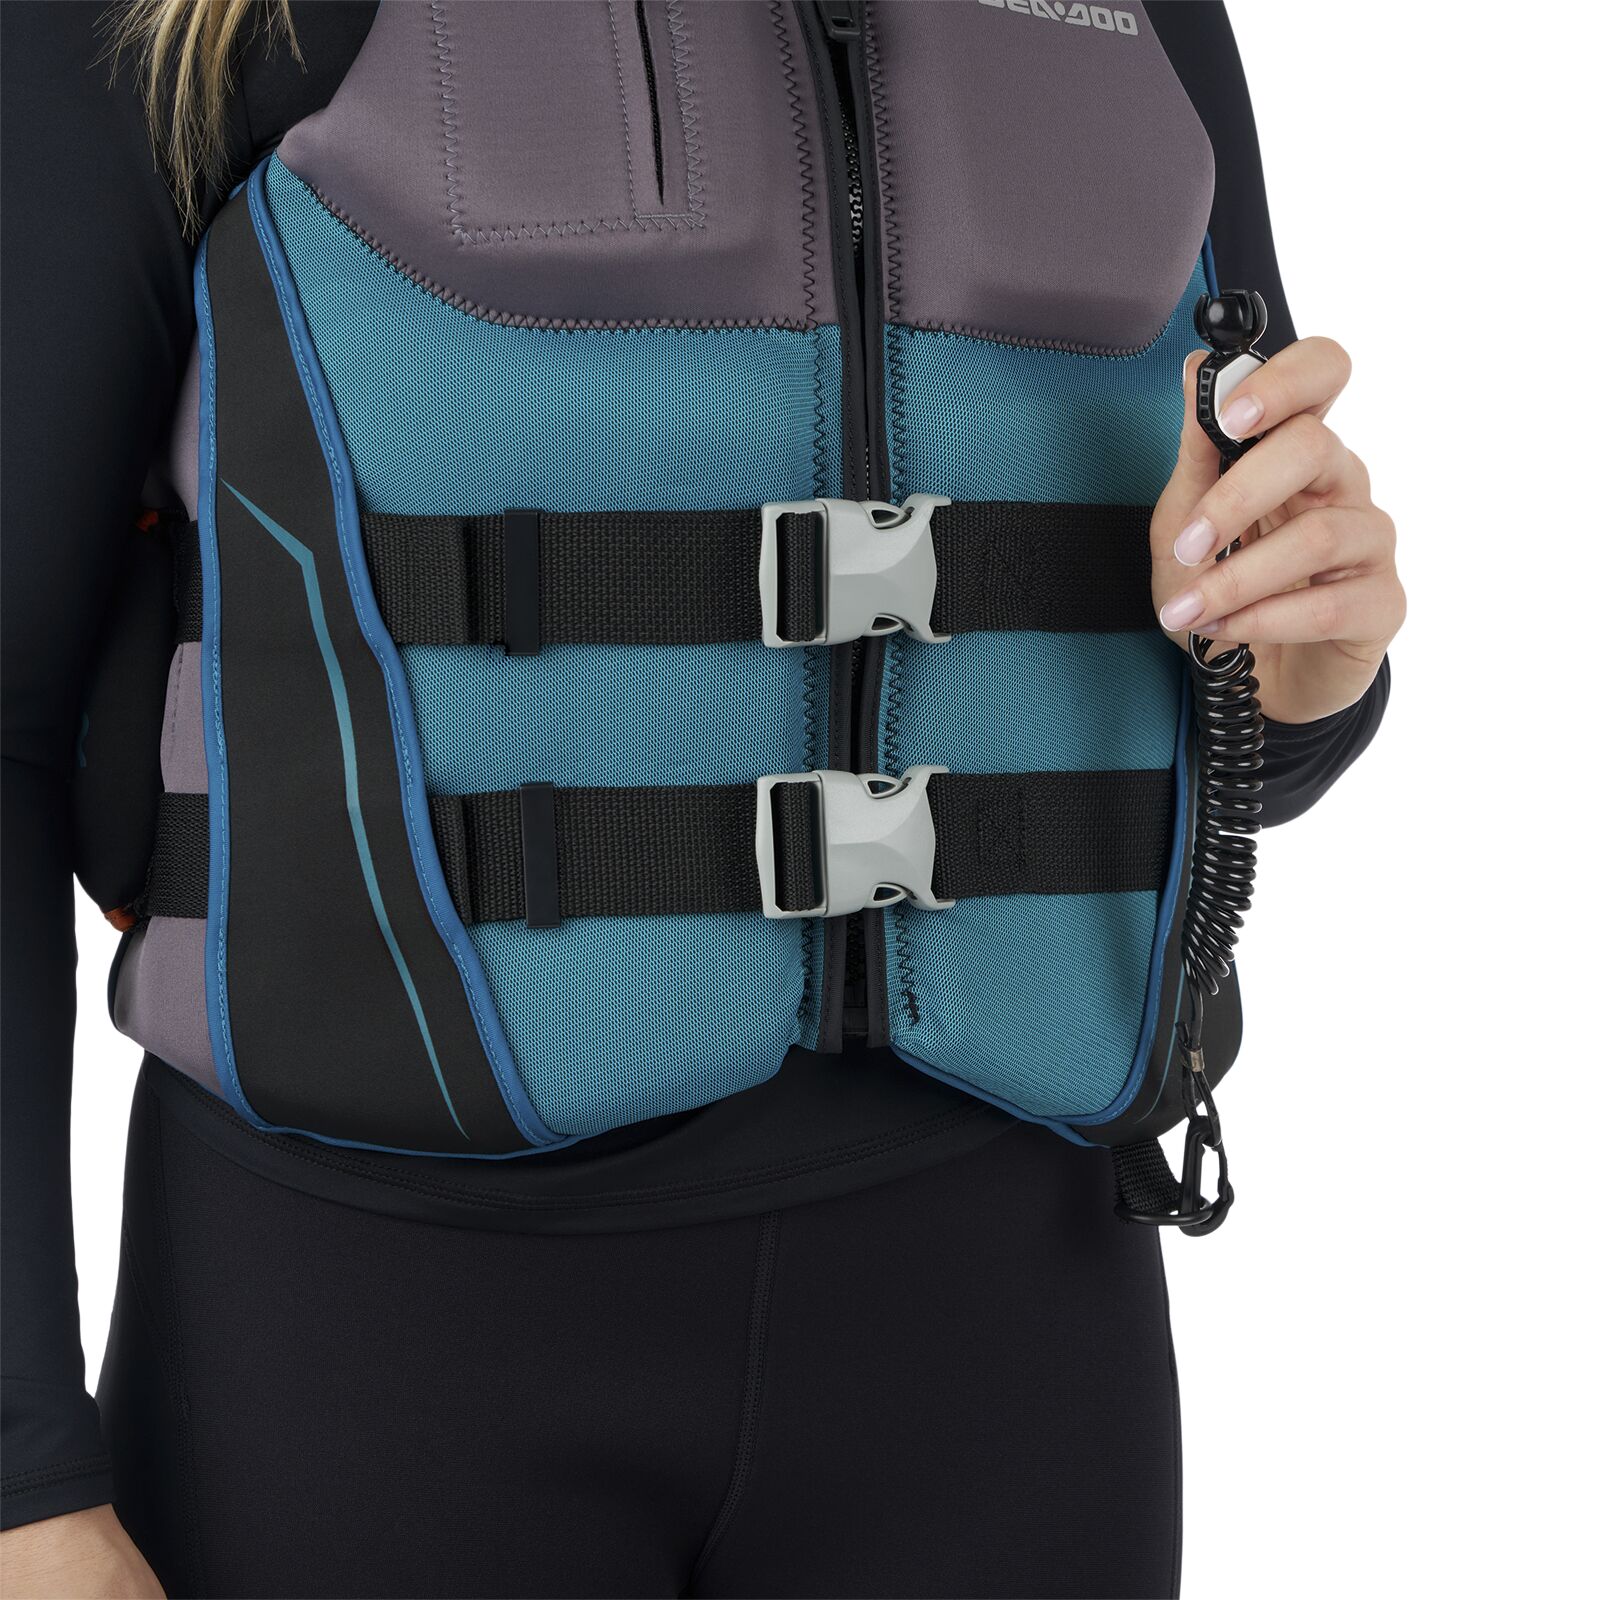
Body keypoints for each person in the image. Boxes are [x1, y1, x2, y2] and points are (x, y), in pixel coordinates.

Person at [0, 3, 1402, 1595]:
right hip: (372, 1333)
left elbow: (1234, 683)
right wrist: (20, 1475)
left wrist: (1303, 677)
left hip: (1011, 1326)